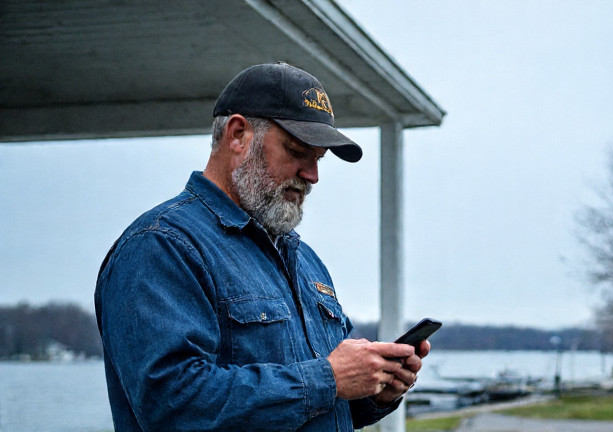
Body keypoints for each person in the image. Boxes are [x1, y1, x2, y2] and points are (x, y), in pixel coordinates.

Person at [94, 62, 429, 432]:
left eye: (317, 159)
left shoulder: (305, 261)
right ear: (238, 135)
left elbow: (321, 406)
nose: (312, 175)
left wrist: (375, 390)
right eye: (297, 150)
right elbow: (173, 406)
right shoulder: (161, 247)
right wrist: (329, 379)